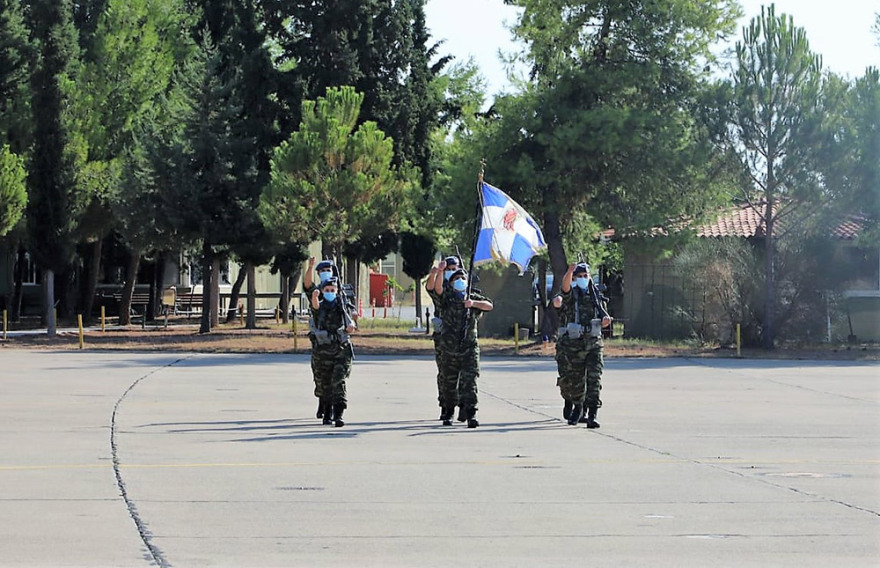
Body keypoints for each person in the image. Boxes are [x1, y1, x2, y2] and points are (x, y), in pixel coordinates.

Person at [432, 262, 493, 428]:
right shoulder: (447, 297)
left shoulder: (472, 296)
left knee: (470, 381)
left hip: (469, 348)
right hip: (449, 348)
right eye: (456, 278)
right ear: (451, 282)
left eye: (462, 278)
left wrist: (473, 304)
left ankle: (471, 413)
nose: (460, 281)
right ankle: (449, 412)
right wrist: (440, 271)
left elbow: (489, 305)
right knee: (449, 382)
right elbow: (437, 289)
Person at [552, 262, 612, 428]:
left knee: (594, 379)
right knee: (576, 380)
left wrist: (605, 321)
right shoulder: (572, 296)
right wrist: (569, 271)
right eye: (579, 276)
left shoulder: (596, 296)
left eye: (586, 276)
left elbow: (603, 316)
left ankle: (592, 414)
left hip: (593, 343)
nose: (583, 279)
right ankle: (576, 406)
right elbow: (565, 289)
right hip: (574, 346)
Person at [308, 276, 356, 427]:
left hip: (341, 349)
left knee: (338, 381)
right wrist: (314, 297)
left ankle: (339, 414)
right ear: (323, 291)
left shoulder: (343, 306)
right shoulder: (320, 307)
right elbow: (315, 307)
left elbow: (351, 322)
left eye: (332, 290)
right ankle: (327, 413)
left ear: (337, 290)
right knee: (326, 383)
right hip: (323, 351)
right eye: (327, 290)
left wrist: (351, 327)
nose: (330, 292)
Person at [425, 255, 461, 423]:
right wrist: (435, 273)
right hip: (444, 336)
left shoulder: (463, 286)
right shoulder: (442, 286)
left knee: (463, 372)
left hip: (461, 335)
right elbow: (430, 287)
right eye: (449, 269)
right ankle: (446, 405)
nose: (452, 272)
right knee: (445, 372)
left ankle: (463, 405)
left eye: (454, 269)